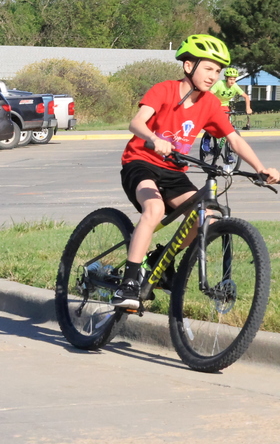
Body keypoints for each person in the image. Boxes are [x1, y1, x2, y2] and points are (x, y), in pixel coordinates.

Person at [112, 34, 279, 309]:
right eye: (208, 68)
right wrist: (153, 138)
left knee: (206, 218)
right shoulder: (164, 90)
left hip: (173, 171)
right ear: (188, 66)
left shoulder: (210, 104)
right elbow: (136, 122)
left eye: (218, 71)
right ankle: (128, 284)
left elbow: (234, 139)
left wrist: (261, 169)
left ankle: (161, 258)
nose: (214, 76)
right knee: (154, 209)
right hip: (140, 162)